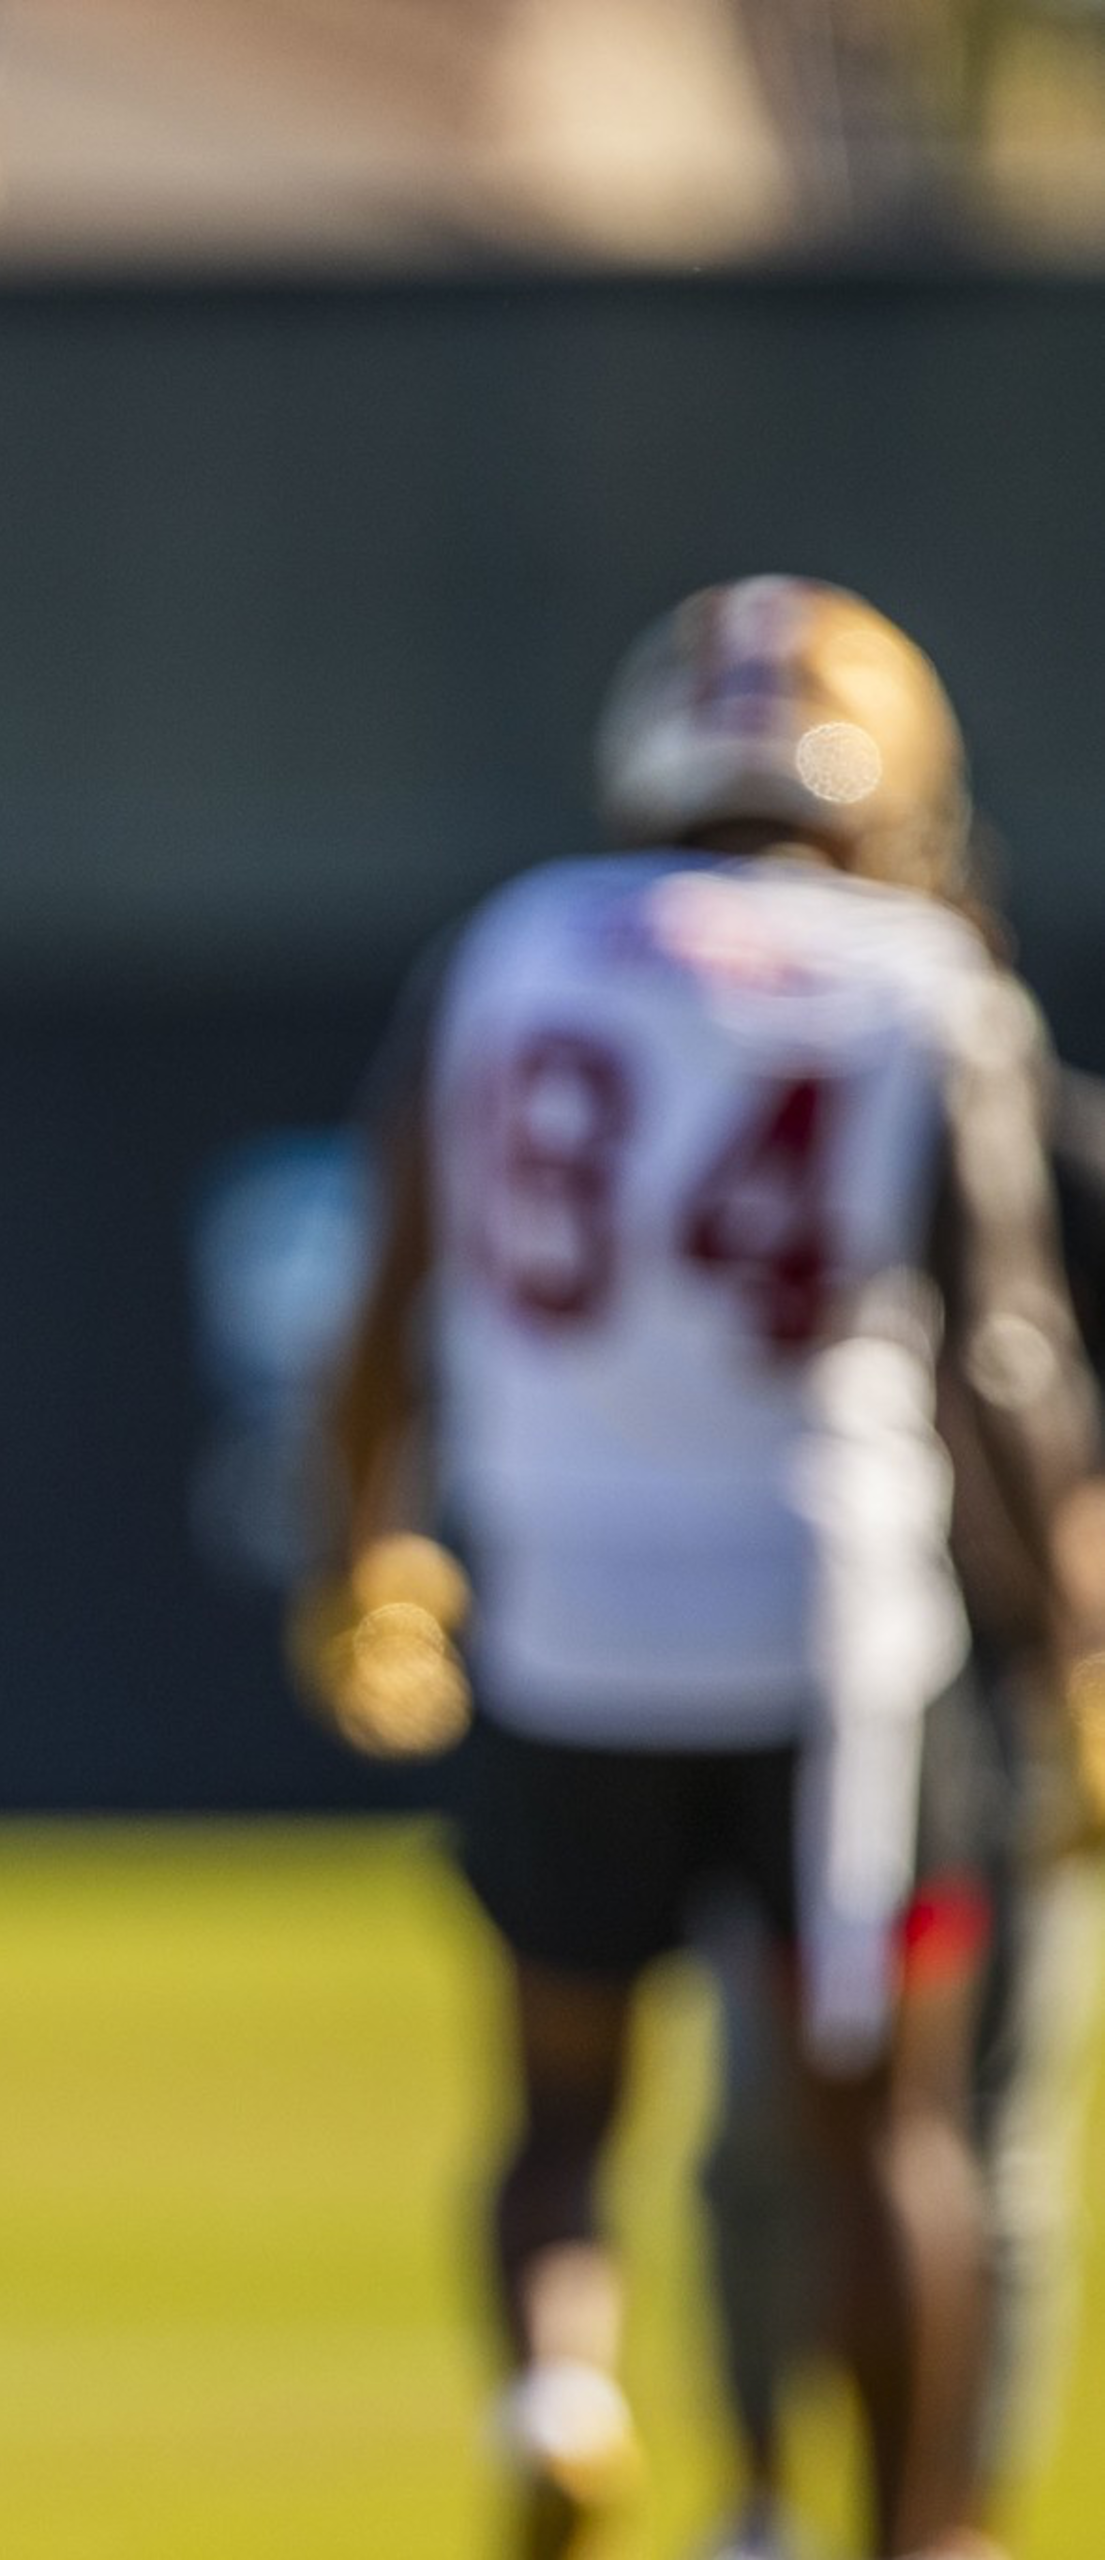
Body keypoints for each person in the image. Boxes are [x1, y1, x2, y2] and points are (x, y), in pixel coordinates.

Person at [300, 575, 1105, 2560]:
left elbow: (378, 1300)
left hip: (563, 1608)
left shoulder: (508, 949)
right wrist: (1078, 1636)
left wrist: (356, 1544)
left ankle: (558, 2387)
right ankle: (910, 2528)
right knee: (881, 2133)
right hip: (828, 1624)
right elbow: (997, 1357)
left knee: (560, 2104)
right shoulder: (915, 980)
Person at [696, 1056, 1105, 2560]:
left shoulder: (1055, 1145)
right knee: (775, 2129)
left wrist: (1081, 1637)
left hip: (998, 1694)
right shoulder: (793, 1093)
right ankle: (761, 2501)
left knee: (982, 2141)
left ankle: (950, 2518)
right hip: (823, 1691)